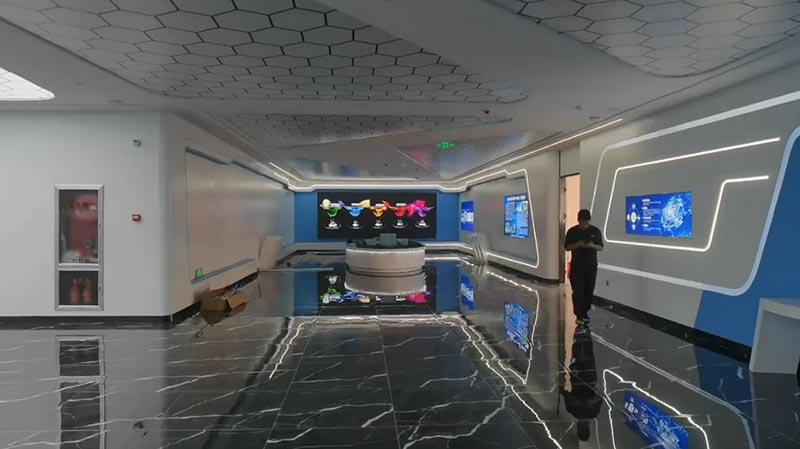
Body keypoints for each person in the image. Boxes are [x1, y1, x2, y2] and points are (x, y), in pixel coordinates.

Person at [561, 325, 603, 442]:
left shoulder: (589, 412)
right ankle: (582, 330)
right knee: (583, 351)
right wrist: (585, 402)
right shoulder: (576, 411)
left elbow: (567, 395)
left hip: (582, 377)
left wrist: (584, 402)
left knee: (581, 351)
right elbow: (599, 397)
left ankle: (581, 329)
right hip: (584, 377)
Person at [564, 209, 603, 324]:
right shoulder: (572, 232)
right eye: (582, 222)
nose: (584, 225)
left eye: (586, 223)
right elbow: (567, 247)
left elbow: (600, 247)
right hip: (577, 265)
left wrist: (591, 245)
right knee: (577, 291)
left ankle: (585, 312)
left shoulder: (595, 231)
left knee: (589, 289)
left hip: (591, 265)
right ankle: (579, 314)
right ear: (578, 220)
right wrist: (578, 244)